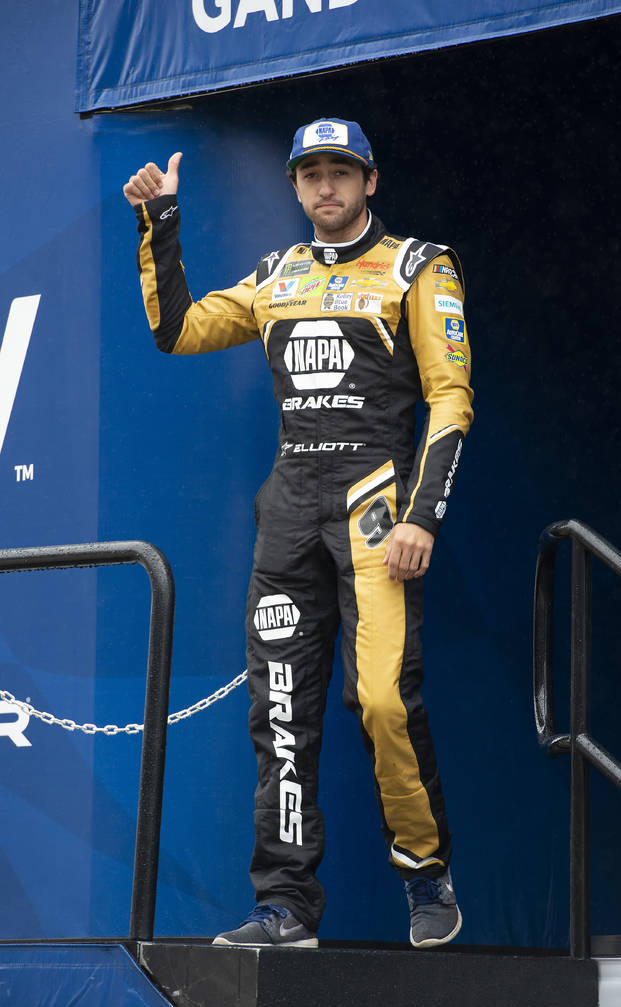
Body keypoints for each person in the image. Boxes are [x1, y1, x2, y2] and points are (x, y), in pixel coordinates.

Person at [124, 117, 474, 949]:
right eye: (311, 173)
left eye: (341, 172)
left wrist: (422, 515)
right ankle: (284, 906)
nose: (326, 187)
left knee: (384, 699)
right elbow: (176, 331)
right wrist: (160, 224)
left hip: (374, 507)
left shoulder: (417, 266)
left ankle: (426, 875)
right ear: (292, 185)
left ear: (370, 181)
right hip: (287, 510)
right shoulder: (275, 274)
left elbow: (450, 399)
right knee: (278, 708)